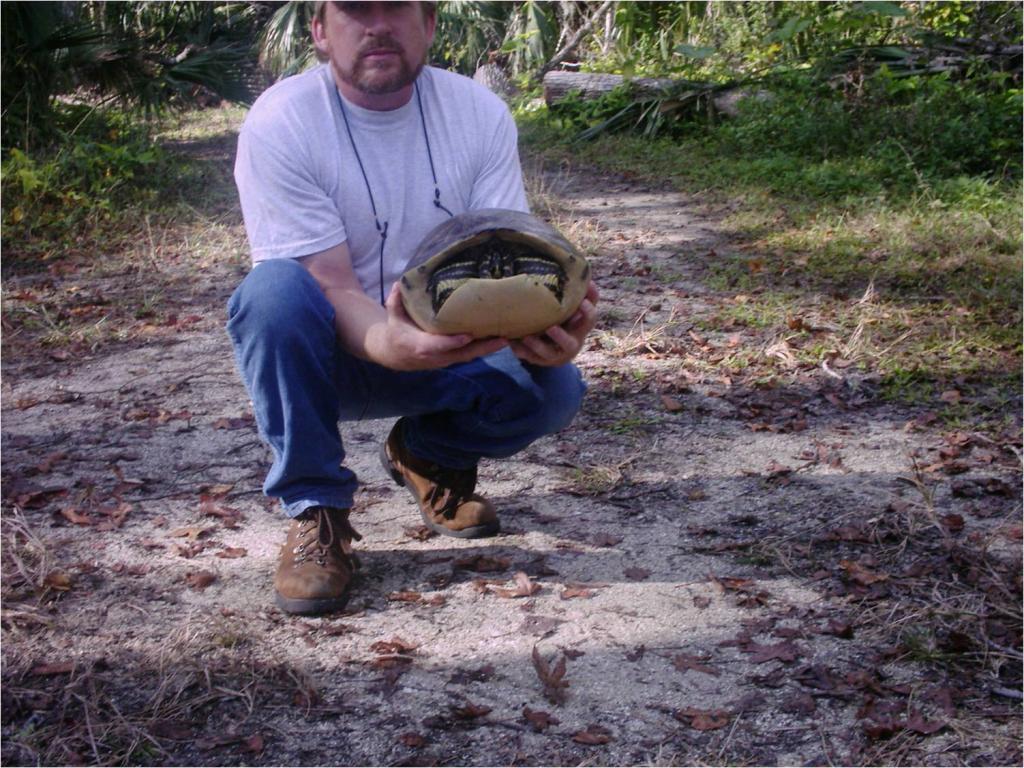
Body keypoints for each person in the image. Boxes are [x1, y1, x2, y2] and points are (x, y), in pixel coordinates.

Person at [227, 0, 598, 616]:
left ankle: (429, 455)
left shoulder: (477, 113)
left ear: (428, 25)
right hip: (332, 357)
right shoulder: (284, 120)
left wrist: (549, 325)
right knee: (272, 294)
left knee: (554, 391)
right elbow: (329, 284)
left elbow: (502, 251)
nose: (378, 25)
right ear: (319, 30)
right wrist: (394, 345)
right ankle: (316, 508)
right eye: (354, 9)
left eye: (397, 8)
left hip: (449, 344)